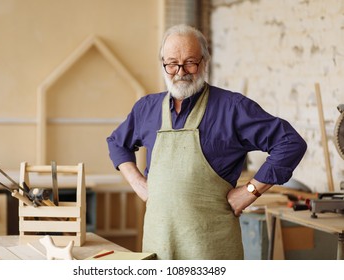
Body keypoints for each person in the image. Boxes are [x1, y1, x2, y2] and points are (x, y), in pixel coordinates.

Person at [106, 24, 307, 260]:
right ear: (163, 63)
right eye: (171, 63)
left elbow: (290, 142)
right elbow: (117, 143)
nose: (181, 71)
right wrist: (138, 182)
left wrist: (250, 191)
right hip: (158, 246)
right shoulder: (146, 108)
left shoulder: (231, 108)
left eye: (190, 61)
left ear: (205, 62)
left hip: (211, 249)